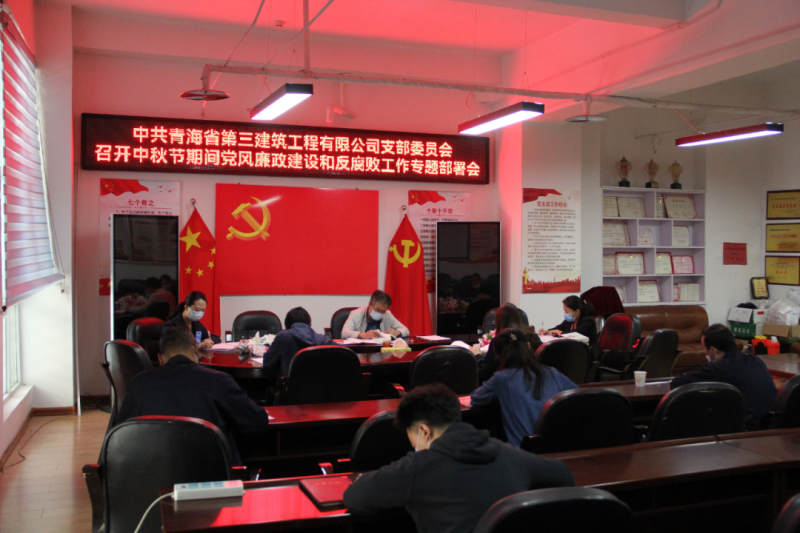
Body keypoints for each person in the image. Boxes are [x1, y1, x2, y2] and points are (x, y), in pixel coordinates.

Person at [343, 383, 575, 533]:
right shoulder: (508, 452)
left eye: (412, 438)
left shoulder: (417, 467)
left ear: (423, 431)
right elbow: (564, 475)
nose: (414, 446)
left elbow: (355, 497)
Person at [115, 328, 270, 465]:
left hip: (156, 475)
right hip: (214, 477)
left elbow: (120, 433)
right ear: (196, 350)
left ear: (161, 358)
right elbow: (257, 421)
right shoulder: (218, 381)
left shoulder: (138, 384)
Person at [471, 329, 578, 447]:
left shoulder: (501, 378)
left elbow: (476, 398)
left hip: (525, 451)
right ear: (528, 347)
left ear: (498, 355)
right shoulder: (552, 372)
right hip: (560, 445)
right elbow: (577, 395)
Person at [671, 324, 777, 431]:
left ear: (713, 351)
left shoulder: (717, 368)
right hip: (766, 425)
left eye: (704, 349)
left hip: (741, 430)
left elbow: (677, 383)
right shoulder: (756, 361)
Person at [263, 307, 333, 377]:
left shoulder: (282, 337)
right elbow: (340, 354)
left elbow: (267, 363)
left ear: (286, 328)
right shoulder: (323, 339)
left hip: (290, 383)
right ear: (310, 325)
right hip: (319, 383)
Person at [474, 303, 531, 383]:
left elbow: (485, 373)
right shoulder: (532, 337)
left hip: (503, 384)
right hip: (528, 381)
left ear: (498, 321)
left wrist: (477, 355)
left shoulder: (500, 340)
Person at [341, 290, 409, 339]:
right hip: (361, 351)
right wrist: (363, 335)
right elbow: (344, 333)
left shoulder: (387, 314)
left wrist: (397, 332)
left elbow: (405, 330)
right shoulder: (355, 314)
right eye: (377, 310)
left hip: (381, 351)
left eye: (383, 311)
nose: (379, 313)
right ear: (370, 305)